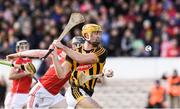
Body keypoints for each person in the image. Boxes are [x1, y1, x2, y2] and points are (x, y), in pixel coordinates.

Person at [52, 24, 108, 109]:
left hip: (87, 93)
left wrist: (63, 47)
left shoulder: (101, 51)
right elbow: (61, 74)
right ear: (86, 35)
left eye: (99, 33)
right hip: (75, 91)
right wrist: (54, 56)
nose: (98, 36)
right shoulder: (73, 53)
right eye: (95, 33)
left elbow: (81, 59)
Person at [4, 40, 34, 109]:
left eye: (26, 47)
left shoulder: (30, 61)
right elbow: (11, 76)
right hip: (16, 95)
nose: (24, 49)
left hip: (26, 94)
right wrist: (25, 73)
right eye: (22, 47)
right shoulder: (17, 61)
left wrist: (30, 73)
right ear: (17, 50)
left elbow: (31, 76)